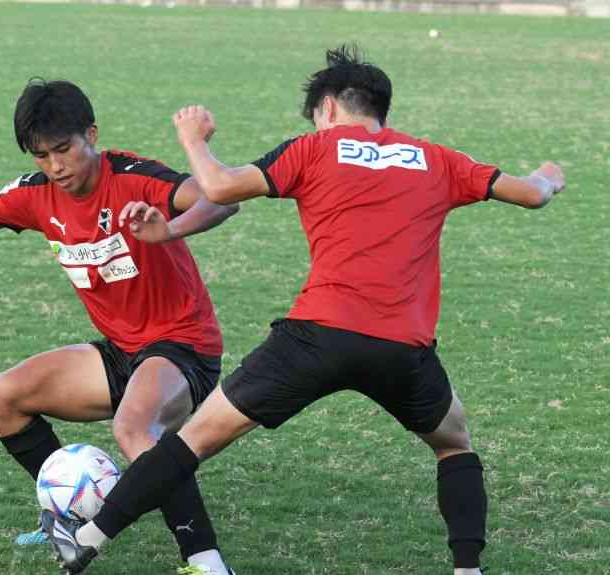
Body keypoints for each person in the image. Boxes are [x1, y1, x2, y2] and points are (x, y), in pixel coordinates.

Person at [39, 45, 566, 575]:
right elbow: (532, 194)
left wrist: (193, 138)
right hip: (402, 349)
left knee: (193, 440)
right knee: (454, 442)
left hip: (315, 338)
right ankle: (468, 569)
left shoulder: (314, 150)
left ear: (330, 108)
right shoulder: (438, 158)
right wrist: (547, 174)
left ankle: (86, 537)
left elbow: (220, 187)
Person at [0, 79, 240, 575]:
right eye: (41, 155)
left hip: (183, 347)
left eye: (64, 149)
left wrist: (169, 227)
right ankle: (65, 517)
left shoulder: (135, 177)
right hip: (120, 352)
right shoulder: (35, 195)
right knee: (3, 396)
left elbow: (221, 199)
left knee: (135, 428)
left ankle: (204, 561)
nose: (55, 166)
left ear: (91, 134)